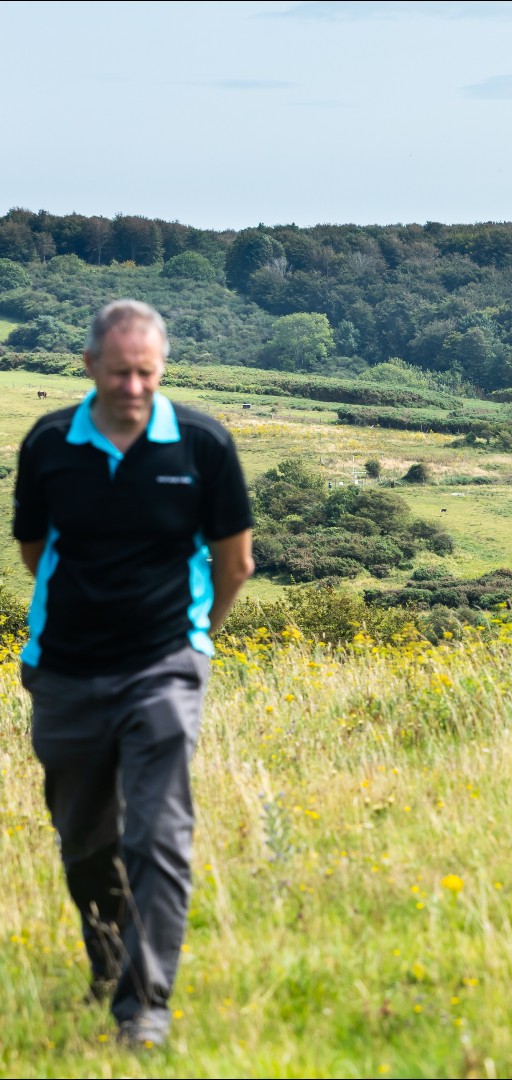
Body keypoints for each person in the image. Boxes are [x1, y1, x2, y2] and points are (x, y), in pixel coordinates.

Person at [13, 299, 254, 1047]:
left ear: (163, 368)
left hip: (164, 666)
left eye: (146, 373)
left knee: (159, 835)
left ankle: (144, 1008)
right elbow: (33, 550)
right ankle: (107, 963)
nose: (133, 387)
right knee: (87, 843)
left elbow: (235, 561)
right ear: (89, 367)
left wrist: (195, 644)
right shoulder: (50, 442)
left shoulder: (204, 444)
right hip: (65, 671)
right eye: (119, 373)